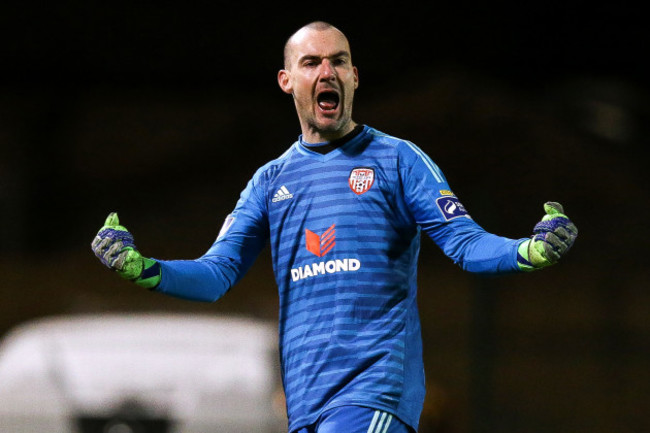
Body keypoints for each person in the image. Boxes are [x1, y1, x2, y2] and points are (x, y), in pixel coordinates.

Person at [91, 21, 578, 433]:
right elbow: (216, 274)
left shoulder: (396, 159)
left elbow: (465, 243)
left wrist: (527, 251)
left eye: (338, 61)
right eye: (312, 62)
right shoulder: (270, 181)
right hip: (305, 398)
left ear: (354, 76)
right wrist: (146, 269)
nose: (328, 71)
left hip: (373, 390)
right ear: (287, 80)